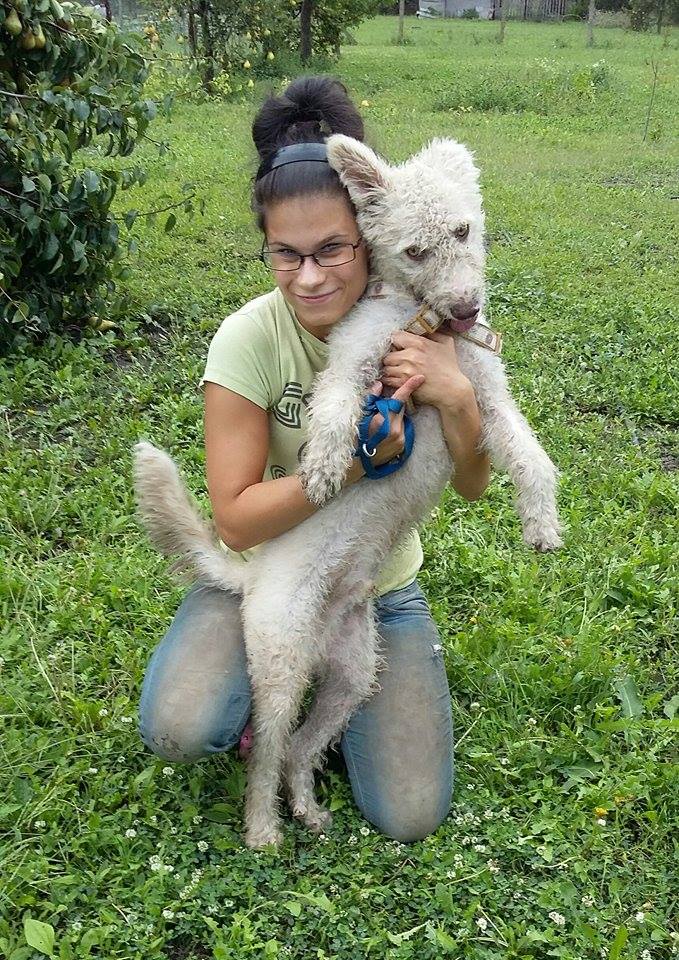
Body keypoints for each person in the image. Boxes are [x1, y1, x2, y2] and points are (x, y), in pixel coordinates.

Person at [138, 75, 490, 843]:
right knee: (178, 725)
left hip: (380, 581)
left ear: (371, 234)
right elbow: (235, 522)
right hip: (274, 564)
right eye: (285, 254)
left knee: (409, 814)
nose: (309, 276)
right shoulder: (249, 338)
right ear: (265, 246)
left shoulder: (429, 321)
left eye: (331, 249)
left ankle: (310, 713)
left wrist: (458, 398)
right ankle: (249, 685)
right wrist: (357, 462)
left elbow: (472, 484)